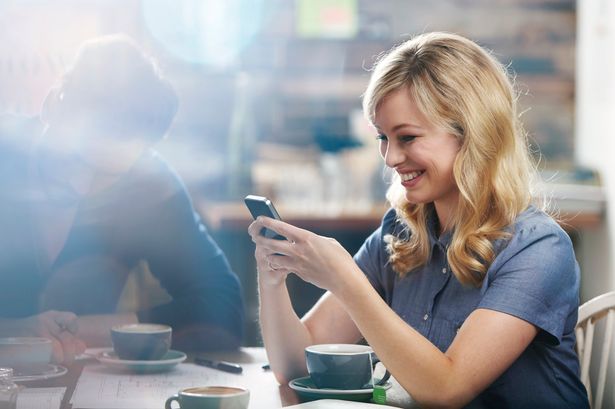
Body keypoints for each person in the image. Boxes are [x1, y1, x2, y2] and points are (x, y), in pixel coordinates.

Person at [249, 32, 589, 408]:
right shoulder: (400, 233)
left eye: (407, 137)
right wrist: (272, 278)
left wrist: (345, 279)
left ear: (472, 135)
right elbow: (298, 366)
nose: (390, 158)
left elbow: (447, 390)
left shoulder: (538, 249)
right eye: (382, 137)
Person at [0, 35, 244, 364]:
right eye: (77, 160)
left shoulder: (145, 185)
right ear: (52, 105)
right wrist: (13, 332)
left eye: (107, 176)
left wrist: (87, 330)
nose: (85, 187)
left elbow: (222, 308)